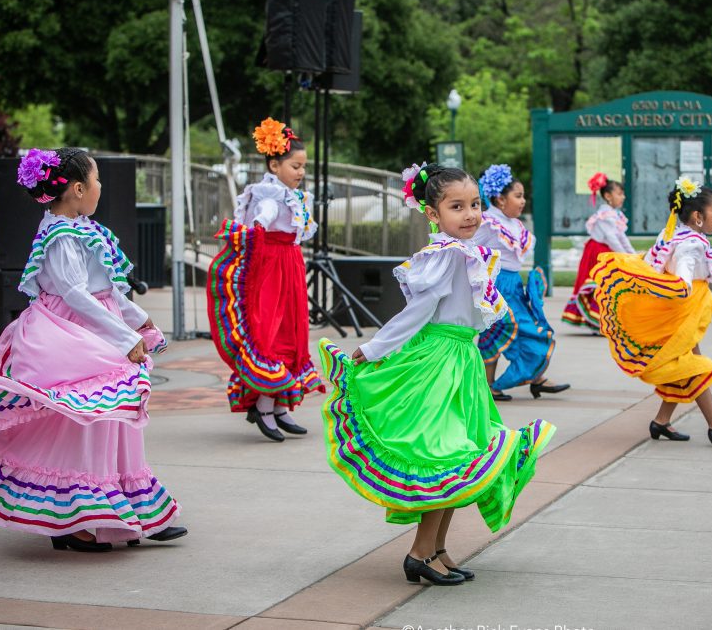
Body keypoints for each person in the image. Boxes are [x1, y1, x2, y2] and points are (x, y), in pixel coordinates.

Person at [315, 163, 555, 586]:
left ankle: (438, 550)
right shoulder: (446, 254)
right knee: (447, 458)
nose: (470, 214)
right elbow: (417, 313)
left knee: (462, 461)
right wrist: (374, 348)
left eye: (476, 205)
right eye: (456, 206)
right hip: (438, 362)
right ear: (433, 213)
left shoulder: (469, 250)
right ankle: (419, 553)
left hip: (461, 360)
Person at [0, 147, 186, 552]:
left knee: (114, 423)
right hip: (71, 333)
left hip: (96, 325)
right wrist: (125, 337)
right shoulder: (61, 235)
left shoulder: (81, 227)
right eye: (97, 180)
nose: (100, 187)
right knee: (84, 425)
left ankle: (129, 510)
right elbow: (76, 295)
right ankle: (73, 519)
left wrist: (135, 317)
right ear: (78, 189)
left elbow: (106, 289)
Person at [590, 177, 712, 445]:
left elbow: (655, 265)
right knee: (693, 366)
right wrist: (683, 288)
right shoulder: (692, 245)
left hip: (680, 313)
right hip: (682, 314)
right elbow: (683, 280)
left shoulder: (671, 234)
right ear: (698, 215)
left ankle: (662, 421)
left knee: (683, 366)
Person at [206, 117, 323, 442]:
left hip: (290, 262)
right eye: (295, 166)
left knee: (291, 328)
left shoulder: (293, 194)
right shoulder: (269, 193)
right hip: (271, 264)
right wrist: (259, 223)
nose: (300, 172)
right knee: (269, 330)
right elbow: (267, 212)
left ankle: (279, 406)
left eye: (303, 167)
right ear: (274, 164)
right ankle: (265, 405)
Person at [474, 163, 569, 401]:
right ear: (500, 199)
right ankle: (489, 385)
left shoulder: (514, 225)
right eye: (518, 196)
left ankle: (535, 378)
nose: (523, 200)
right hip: (495, 286)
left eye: (523, 195)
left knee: (530, 329)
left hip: (513, 285)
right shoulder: (488, 223)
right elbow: (469, 248)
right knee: (498, 330)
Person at [562, 173, 635, 330]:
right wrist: (626, 256)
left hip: (606, 252)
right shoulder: (604, 216)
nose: (623, 197)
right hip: (598, 254)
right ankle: (598, 320)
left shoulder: (615, 215)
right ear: (608, 196)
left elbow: (621, 237)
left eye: (623, 194)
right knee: (600, 284)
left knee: (608, 285)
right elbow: (611, 238)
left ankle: (603, 319)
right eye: (619, 194)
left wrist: (633, 255)